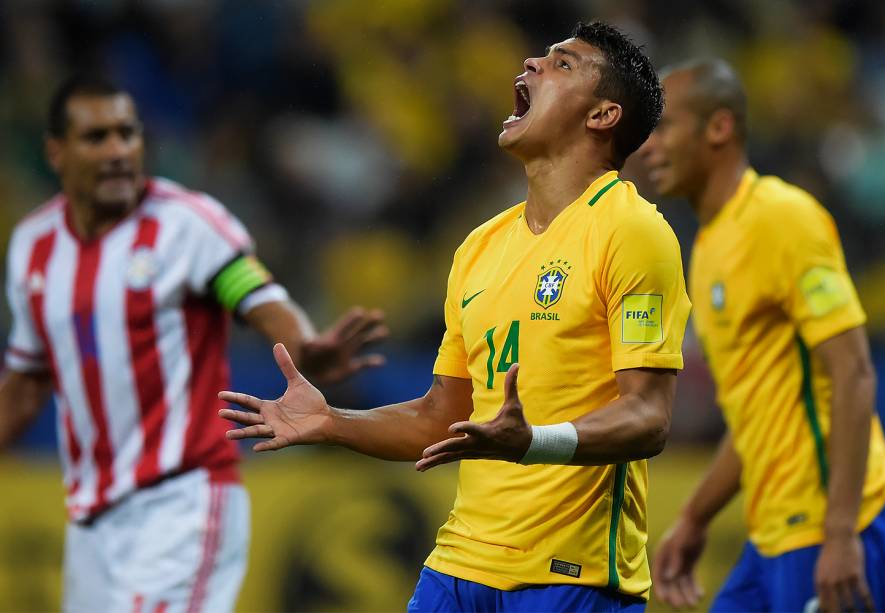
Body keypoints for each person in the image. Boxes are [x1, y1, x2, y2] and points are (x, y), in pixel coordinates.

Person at [219, 21, 691, 612]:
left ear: (602, 115)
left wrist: (534, 442)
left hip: (569, 573)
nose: (531, 63)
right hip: (458, 564)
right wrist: (331, 421)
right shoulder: (479, 247)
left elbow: (648, 417)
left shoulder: (633, 231)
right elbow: (442, 416)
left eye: (563, 64)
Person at [0, 75, 388, 613]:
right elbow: (25, 384)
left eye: (127, 134)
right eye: (97, 138)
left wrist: (304, 344)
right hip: (90, 520)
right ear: (56, 152)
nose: (117, 151)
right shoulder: (33, 247)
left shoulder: (187, 226)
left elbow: (258, 300)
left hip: (182, 503)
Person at [638, 59, 885, 612]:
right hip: (774, 534)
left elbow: (854, 373)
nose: (649, 147)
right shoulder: (709, 250)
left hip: (832, 524)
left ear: (718, 129)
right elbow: (756, 411)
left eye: (664, 127)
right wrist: (694, 516)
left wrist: (839, 534)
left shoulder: (783, 219)